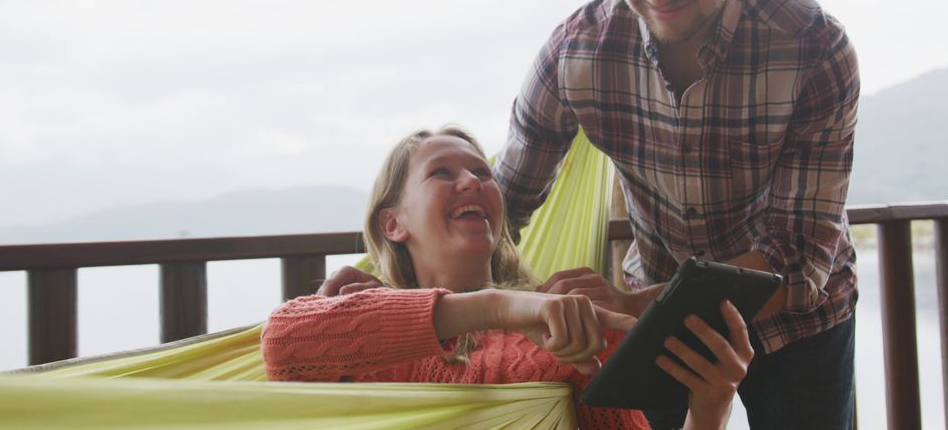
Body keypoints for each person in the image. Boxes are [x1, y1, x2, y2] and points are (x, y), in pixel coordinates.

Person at [493, 0, 860, 428]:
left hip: (797, 324)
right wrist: (392, 286)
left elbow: (798, 258)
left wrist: (636, 305)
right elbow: (501, 206)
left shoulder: (813, 45)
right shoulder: (575, 54)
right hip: (656, 322)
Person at [263, 127, 754, 430]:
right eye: (441, 173)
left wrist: (709, 413)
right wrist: (499, 307)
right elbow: (281, 345)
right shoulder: (365, 324)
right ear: (392, 223)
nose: (474, 180)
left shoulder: (566, 331)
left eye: (482, 171)